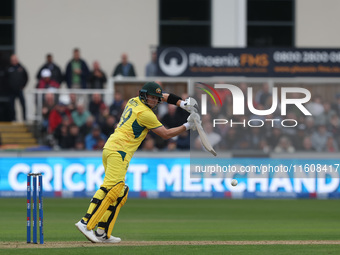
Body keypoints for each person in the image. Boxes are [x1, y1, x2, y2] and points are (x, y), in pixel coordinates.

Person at [75, 82, 199, 243]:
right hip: (118, 151)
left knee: (120, 193)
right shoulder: (145, 113)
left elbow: (164, 96)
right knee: (111, 188)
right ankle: (85, 222)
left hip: (113, 149)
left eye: (156, 98)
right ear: (144, 96)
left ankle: (102, 232)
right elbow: (166, 134)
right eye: (152, 98)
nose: (155, 101)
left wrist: (182, 103)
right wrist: (188, 125)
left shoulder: (134, 100)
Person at [4, 54, 28, 121]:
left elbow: (26, 77)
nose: (14, 61)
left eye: (15, 59)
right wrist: (8, 87)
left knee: (23, 104)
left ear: (17, 60)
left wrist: (23, 85)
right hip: (11, 91)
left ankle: (24, 118)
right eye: (12, 60)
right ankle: (13, 118)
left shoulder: (21, 68)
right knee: (11, 105)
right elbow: (5, 79)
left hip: (19, 90)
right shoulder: (8, 68)